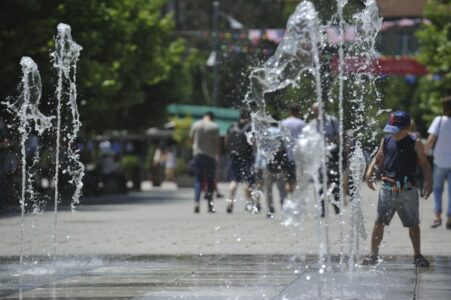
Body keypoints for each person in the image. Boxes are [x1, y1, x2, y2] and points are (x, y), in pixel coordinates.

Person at [363, 111, 432, 267]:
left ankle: (417, 255)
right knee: (379, 222)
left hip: (407, 191)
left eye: (398, 129)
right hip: (387, 190)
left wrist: (429, 182)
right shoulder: (386, 140)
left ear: (407, 128)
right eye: (392, 128)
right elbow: (378, 157)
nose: (394, 132)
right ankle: (373, 255)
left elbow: (426, 164)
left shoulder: (415, 142)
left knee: (413, 224)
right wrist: (369, 171)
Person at [225, 108, 259, 213]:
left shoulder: (232, 126)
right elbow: (254, 143)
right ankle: (249, 203)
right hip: (247, 157)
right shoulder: (251, 128)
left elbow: (226, 142)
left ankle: (230, 202)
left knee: (234, 181)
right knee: (248, 182)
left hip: (234, 157)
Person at [425, 96, 451, 229]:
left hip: (439, 161)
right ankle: (450, 217)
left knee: (437, 189)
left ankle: (437, 216)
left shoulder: (439, 120)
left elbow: (431, 139)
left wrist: (423, 153)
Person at [311, 102, 340, 216]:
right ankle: (322, 210)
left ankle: (337, 207)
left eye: (319, 109)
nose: (317, 112)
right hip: (319, 157)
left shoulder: (333, 121)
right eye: (315, 110)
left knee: (334, 182)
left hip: (332, 155)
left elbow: (339, 137)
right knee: (320, 183)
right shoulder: (312, 125)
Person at [189, 111, 220, 213]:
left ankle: (196, 202)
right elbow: (216, 143)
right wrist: (217, 155)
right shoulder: (214, 126)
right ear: (212, 117)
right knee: (210, 181)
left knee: (198, 179)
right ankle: (210, 205)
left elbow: (191, 139)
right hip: (210, 156)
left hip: (198, 155)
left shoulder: (196, 125)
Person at [281, 104, 305, 195]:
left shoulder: (283, 123)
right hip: (298, 156)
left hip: (286, 155)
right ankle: (294, 196)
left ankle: (290, 194)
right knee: (297, 179)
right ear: (298, 112)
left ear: (289, 111)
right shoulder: (301, 123)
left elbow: (281, 139)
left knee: (289, 179)